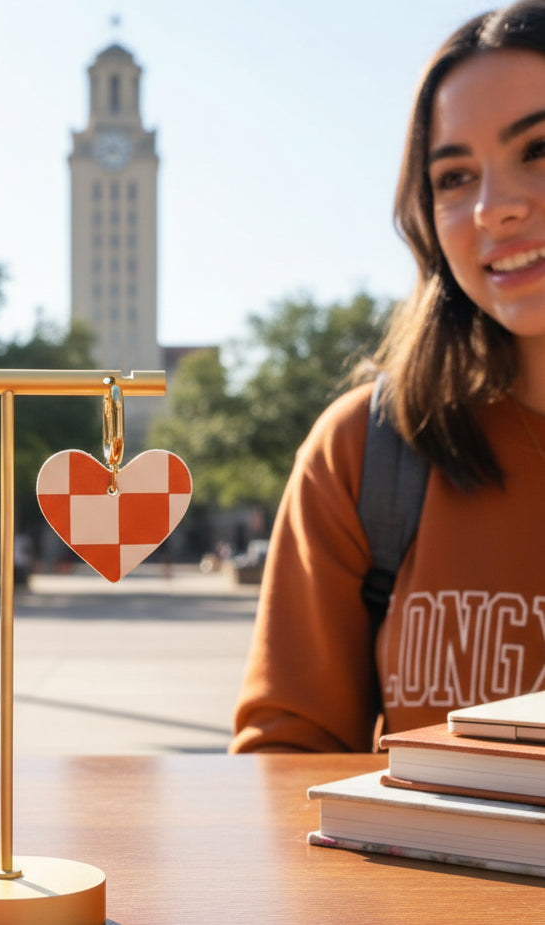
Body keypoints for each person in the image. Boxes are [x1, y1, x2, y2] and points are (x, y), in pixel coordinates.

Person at [232, 1, 545, 753]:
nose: (492, 207)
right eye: (452, 176)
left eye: (539, 150)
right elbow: (285, 763)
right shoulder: (366, 450)